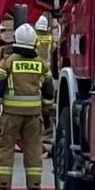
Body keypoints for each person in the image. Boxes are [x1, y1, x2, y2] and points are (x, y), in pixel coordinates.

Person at [0, 22, 54, 190]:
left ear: (16, 41)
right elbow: (48, 91)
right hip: (33, 116)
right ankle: (34, 185)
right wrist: (47, 112)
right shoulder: (41, 64)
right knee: (33, 149)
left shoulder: (8, 62)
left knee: (5, 148)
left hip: (10, 115)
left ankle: (1, 185)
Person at [34, 15, 56, 154]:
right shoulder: (49, 38)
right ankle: (46, 137)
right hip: (46, 72)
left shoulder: (34, 38)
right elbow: (54, 49)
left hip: (35, 72)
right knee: (47, 103)